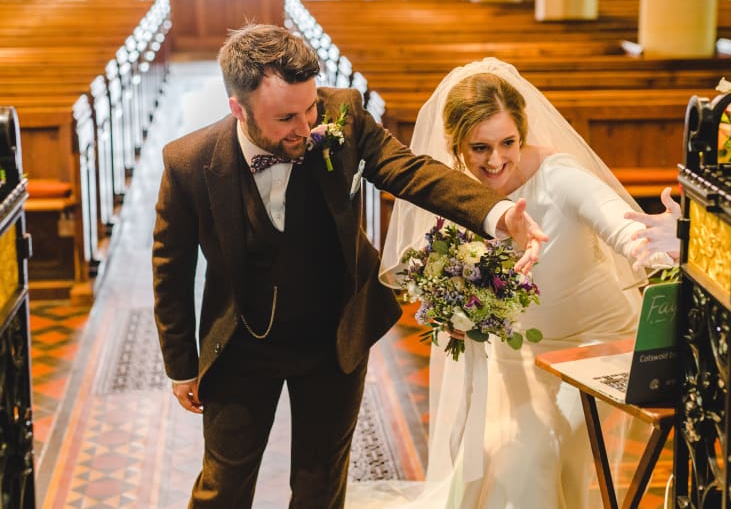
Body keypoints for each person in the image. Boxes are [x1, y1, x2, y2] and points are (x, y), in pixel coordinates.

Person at [151, 27, 547, 508]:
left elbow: (410, 171)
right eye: (285, 117)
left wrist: (497, 213)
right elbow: (170, 271)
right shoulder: (189, 162)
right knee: (223, 487)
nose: (305, 126)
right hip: (241, 345)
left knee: (321, 487)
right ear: (239, 108)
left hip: (333, 336)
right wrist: (180, 366)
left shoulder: (344, 115)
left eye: (310, 109)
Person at [351, 58, 679, 508]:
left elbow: (621, 227)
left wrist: (658, 245)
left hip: (599, 344)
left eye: (507, 142)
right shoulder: (454, 193)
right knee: (518, 455)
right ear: (456, 144)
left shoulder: (561, 178)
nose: (496, 159)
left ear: (522, 133)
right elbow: (439, 275)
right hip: (520, 351)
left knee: (553, 448)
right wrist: (453, 309)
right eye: (479, 147)